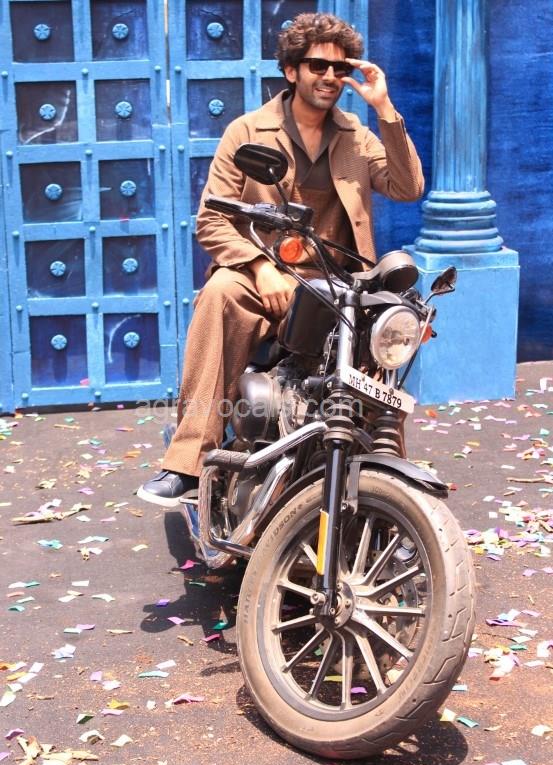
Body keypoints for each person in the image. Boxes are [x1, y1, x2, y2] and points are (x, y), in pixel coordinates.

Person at [137, 12, 424, 507]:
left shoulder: (357, 136)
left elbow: (408, 186)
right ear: (292, 70)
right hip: (263, 278)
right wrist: (260, 266)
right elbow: (212, 219)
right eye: (317, 66)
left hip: (335, 285)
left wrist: (384, 109)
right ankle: (188, 462)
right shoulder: (248, 131)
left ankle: (387, 485)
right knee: (220, 293)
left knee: (391, 325)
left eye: (340, 69)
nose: (330, 76)